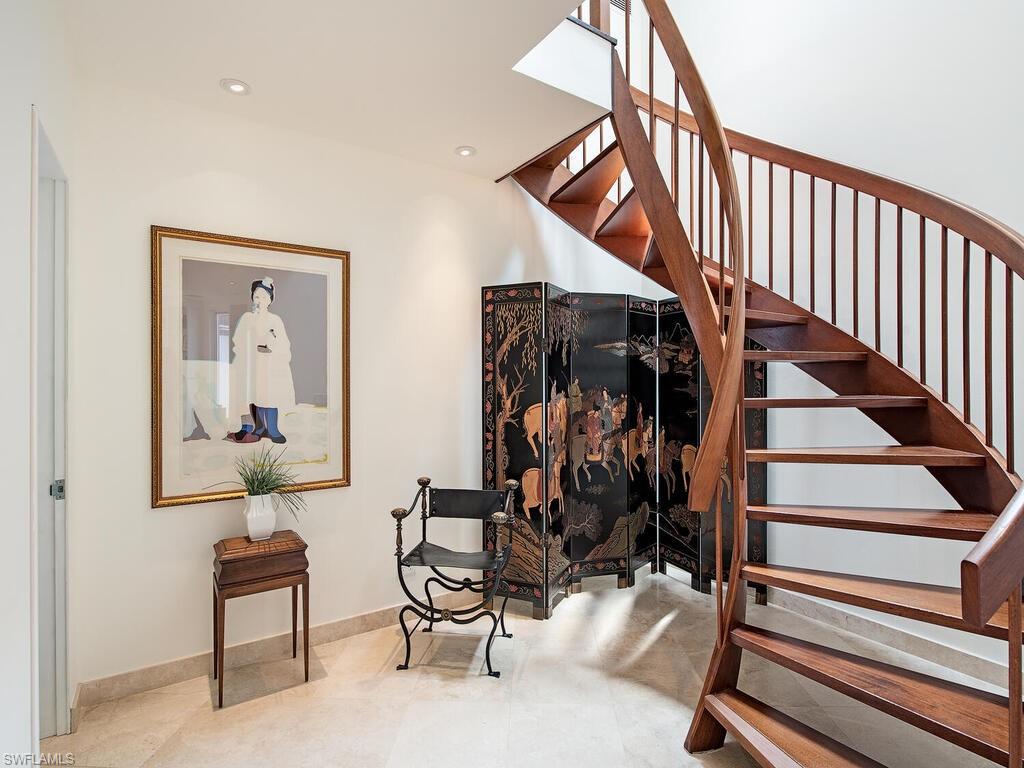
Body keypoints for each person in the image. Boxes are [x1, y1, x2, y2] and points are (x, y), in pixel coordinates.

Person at [226, 276, 296, 444]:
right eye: (256, 296)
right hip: (251, 364)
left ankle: (273, 429)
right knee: (253, 395)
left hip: (269, 365)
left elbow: (284, 343)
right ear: (252, 298)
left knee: (268, 395)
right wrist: (249, 348)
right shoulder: (247, 318)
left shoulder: (275, 320)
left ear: (270, 299)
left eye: (264, 297)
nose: (259, 300)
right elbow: (238, 340)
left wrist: (272, 347)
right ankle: (258, 428)